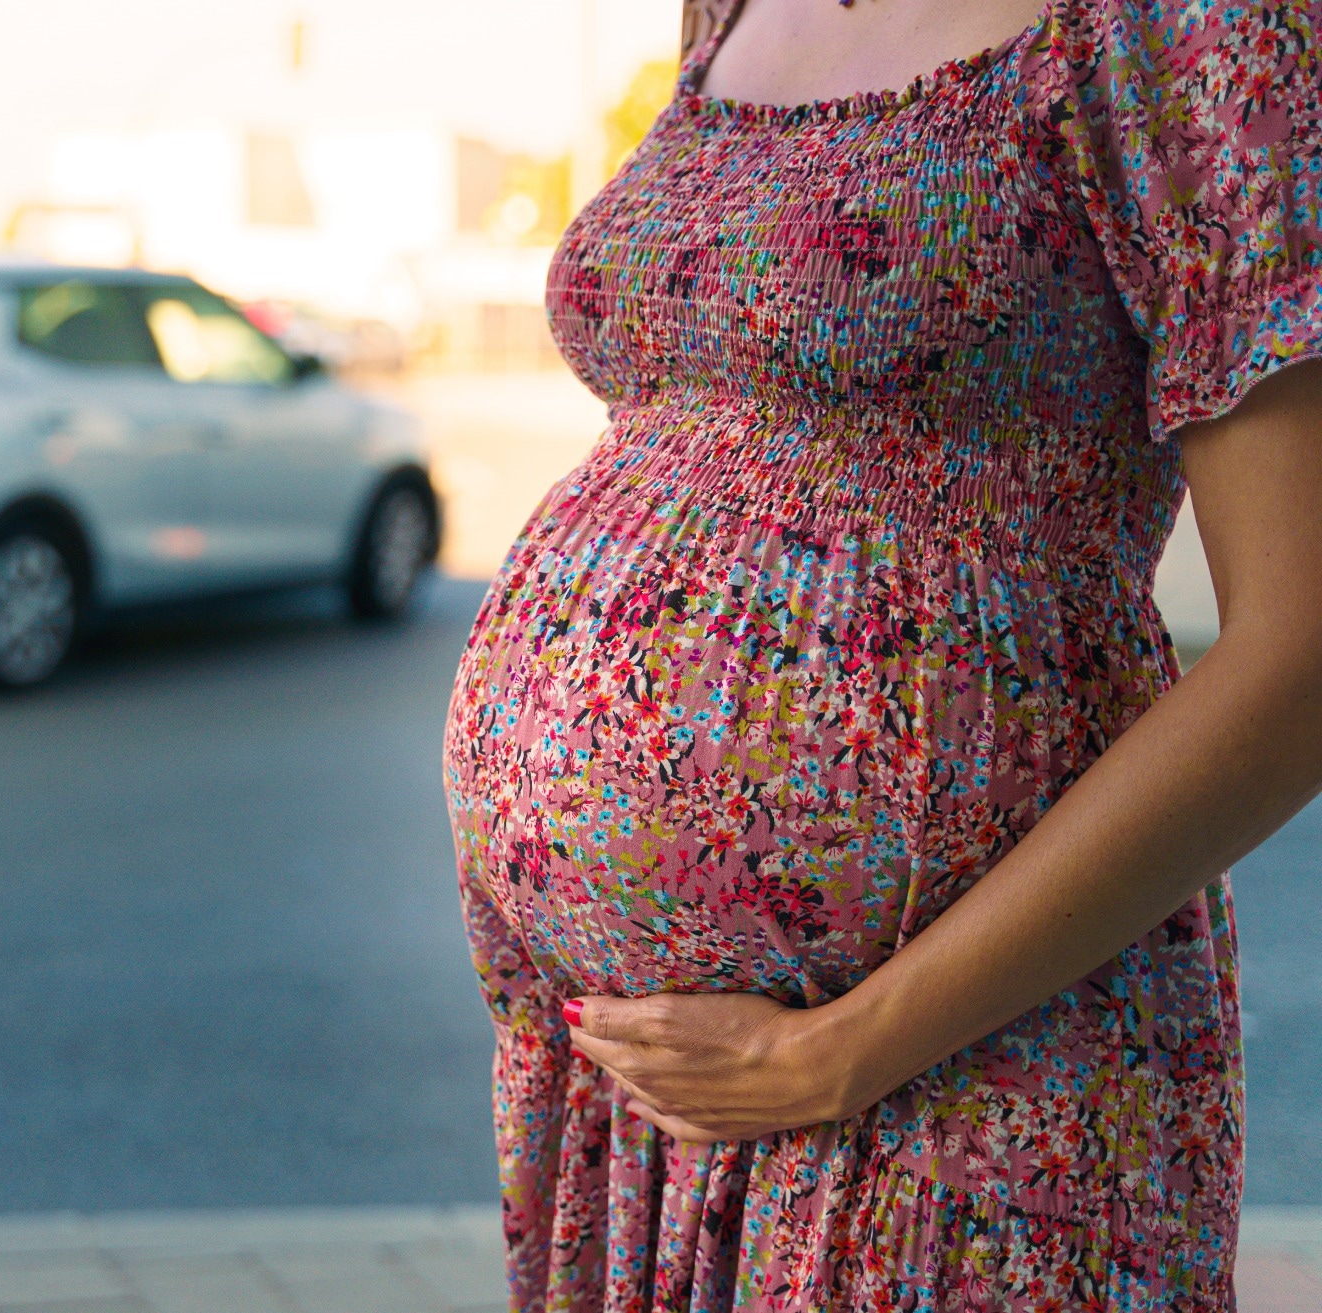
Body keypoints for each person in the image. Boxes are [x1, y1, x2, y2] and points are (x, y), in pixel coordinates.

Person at [442, 0, 1322, 1306]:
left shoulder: (1195, 26)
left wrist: (840, 1052)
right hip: (648, 1114)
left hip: (955, 1088)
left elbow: (1299, 660)